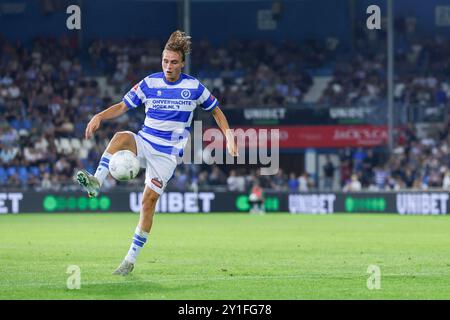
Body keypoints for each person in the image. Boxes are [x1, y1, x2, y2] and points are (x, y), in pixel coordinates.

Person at [75, 31, 239, 275]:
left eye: (173, 62)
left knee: (148, 203)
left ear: (182, 63)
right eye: (165, 61)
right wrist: (99, 115)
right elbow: (122, 106)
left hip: (166, 156)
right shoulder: (149, 83)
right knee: (120, 137)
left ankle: (129, 260)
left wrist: (228, 136)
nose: (168, 66)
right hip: (145, 141)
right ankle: (97, 181)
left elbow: (216, 111)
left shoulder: (193, 87)